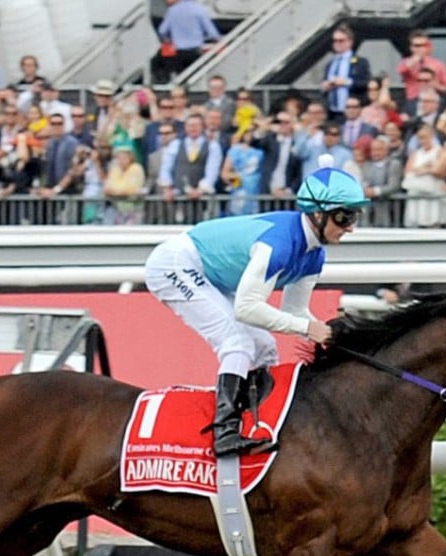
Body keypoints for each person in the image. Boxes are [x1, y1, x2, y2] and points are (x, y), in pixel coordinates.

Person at [143, 158, 366, 456]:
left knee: (265, 348)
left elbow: (296, 312)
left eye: (354, 218)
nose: (350, 228)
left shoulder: (315, 256)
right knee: (237, 342)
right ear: (317, 214)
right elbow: (247, 309)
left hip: (212, 277)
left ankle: (258, 422)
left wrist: (333, 338)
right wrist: (309, 330)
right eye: (343, 217)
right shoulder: (280, 244)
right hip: (174, 264)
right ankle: (224, 432)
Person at [155, 0, 221, 83]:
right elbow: (213, 33)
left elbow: (162, 31)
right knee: (195, 78)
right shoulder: (199, 9)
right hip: (195, 51)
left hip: (179, 52)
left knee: (181, 78)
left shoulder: (172, 10)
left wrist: (168, 39)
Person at [321, 23, 370, 120]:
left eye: (341, 41)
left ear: (350, 42)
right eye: (335, 41)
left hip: (352, 112)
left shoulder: (360, 62)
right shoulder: (330, 64)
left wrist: (346, 82)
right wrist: (325, 86)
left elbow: (366, 83)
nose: (337, 43)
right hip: (332, 112)